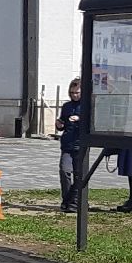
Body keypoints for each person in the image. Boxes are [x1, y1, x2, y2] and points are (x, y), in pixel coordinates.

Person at [57, 79, 86, 214]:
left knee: (79, 174)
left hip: (81, 144)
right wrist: (60, 124)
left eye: (77, 93)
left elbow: (91, 124)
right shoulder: (67, 106)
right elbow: (62, 123)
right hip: (67, 144)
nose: (74, 95)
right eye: (72, 93)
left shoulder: (87, 106)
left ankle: (75, 201)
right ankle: (66, 199)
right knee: (64, 170)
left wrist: (80, 120)